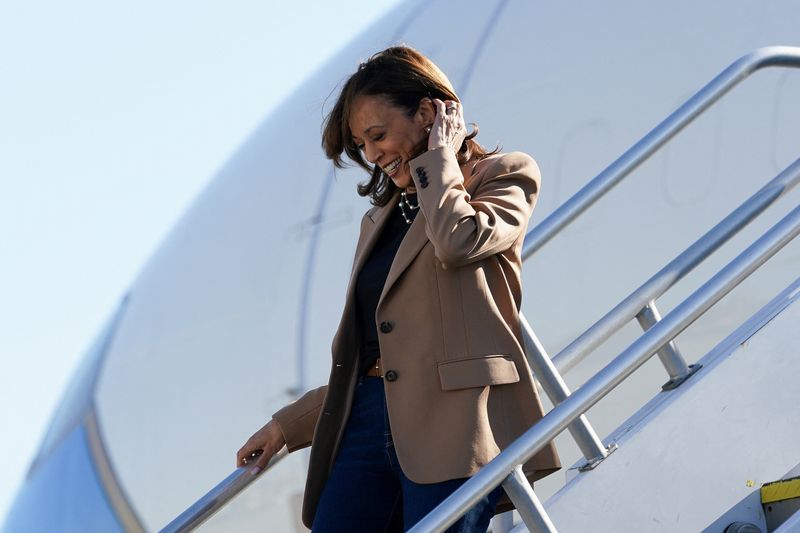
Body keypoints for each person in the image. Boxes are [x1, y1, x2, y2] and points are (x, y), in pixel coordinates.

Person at [237, 45, 560, 532]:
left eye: (378, 135)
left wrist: (437, 158)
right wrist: (290, 424)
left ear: (429, 112)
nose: (372, 155)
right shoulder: (378, 221)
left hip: (456, 422)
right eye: (361, 146)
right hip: (366, 423)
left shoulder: (502, 175)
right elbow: (376, 350)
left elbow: (458, 241)